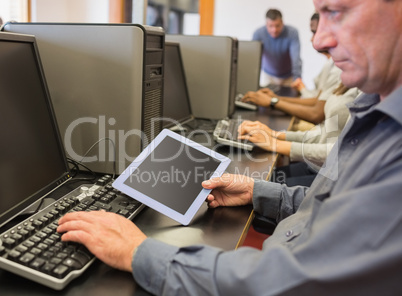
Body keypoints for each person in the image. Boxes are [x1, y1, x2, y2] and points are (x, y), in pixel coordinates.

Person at [58, 0, 402, 295]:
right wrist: (259, 191)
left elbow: (290, 282)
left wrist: (139, 251)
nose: (320, 41)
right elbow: (332, 209)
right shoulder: (375, 111)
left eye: (337, 11)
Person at [238, 83, 361, 186]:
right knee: (256, 178)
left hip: (332, 175)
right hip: (321, 166)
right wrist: (276, 135)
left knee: (256, 184)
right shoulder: (349, 82)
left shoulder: (366, 95)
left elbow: (339, 151)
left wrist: (275, 143)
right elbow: (326, 133)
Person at [244, 12, 343, 125]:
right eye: (270, 26)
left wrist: (273, 101)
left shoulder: (337, 68)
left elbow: (316, 111)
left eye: (315, 32)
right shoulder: (330, 63)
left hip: (288, 75)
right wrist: (275, 98)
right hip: (269, 73)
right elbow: (317, 100)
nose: (311, 39)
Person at [252, 9, 302, 87]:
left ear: (282, 23)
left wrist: (297, 77)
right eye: (271, 26)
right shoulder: (258, 34)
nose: (274, 30)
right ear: (266, 24)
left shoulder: (292, 33)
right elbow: (254, 58)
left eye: (277, 25)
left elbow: (296, 57)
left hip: (289, 77)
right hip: (269, 76)